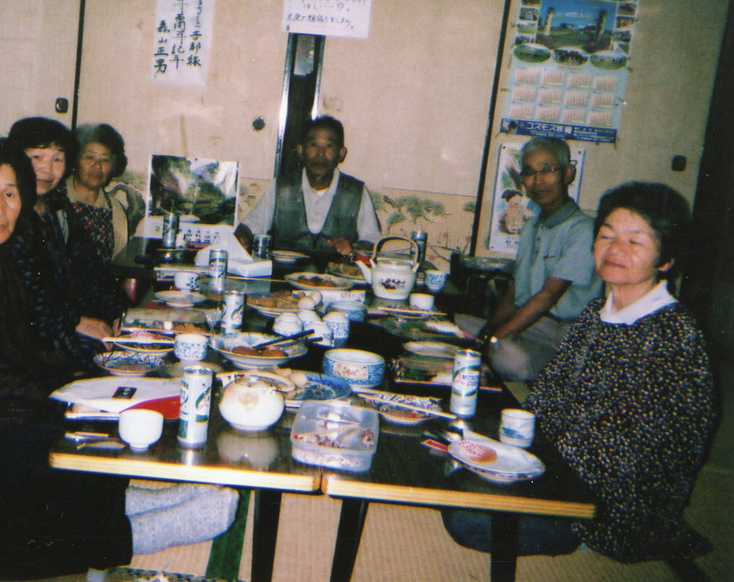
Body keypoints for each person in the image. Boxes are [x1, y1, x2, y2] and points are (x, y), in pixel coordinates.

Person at [0, 136, 238, 579]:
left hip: (8, 403)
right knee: (75, 433)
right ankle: (140, 533)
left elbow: (29, 349)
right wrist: (68, 403)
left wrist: (88, 378)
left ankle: (129, 503)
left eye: (10, 194)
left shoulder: (0, 254)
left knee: (107, 409)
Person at [445, 181, 716, 563]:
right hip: (560, 466)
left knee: (465, 514)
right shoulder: (595, 314)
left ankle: (593, 538)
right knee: (453, 457)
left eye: (635, 241)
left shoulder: (673, 335)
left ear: (666, 259)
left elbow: (624, 453)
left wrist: (527, 468)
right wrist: (505, 443)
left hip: (610, 504)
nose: (615, 249)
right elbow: (546, 395)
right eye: (606, 235)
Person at [465, 136, 602, 381]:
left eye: (547, 170)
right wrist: (488, 331)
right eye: (529, 172)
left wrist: (495, 339)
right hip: (528, 325)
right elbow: (516, 290)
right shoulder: (533, 224)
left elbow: (548, 295)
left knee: (505, 358)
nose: (538, 181)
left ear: (568, 174)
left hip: (562, 334)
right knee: (454, 327)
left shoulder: (583, 230)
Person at [6, 117, 127, 375]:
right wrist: (75, 321)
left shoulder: (57, 206)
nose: (47, 169)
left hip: (58, 323)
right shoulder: (8, 215)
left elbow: (89, 267)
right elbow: (26, 295)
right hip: (29, 337)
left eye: (57, 159)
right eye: (36, 157)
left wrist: (116, 312)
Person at [235, 115, 381, 257]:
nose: (320, 154)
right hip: (284, 271)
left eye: (329, 146)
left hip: (338, 272)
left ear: (341, 153)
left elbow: (371, 241)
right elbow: (251, 226)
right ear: (300, 150)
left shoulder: (356, 192)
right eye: (313, 145)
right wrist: (243, 237)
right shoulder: (281, 187)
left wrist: (353, 249)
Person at [62, 123, 132, 262]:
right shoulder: (55, 199)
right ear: (75, 161)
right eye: (90, 157)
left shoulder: (115, 209)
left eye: (105, 159)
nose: (97, 165)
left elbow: (118, 264)